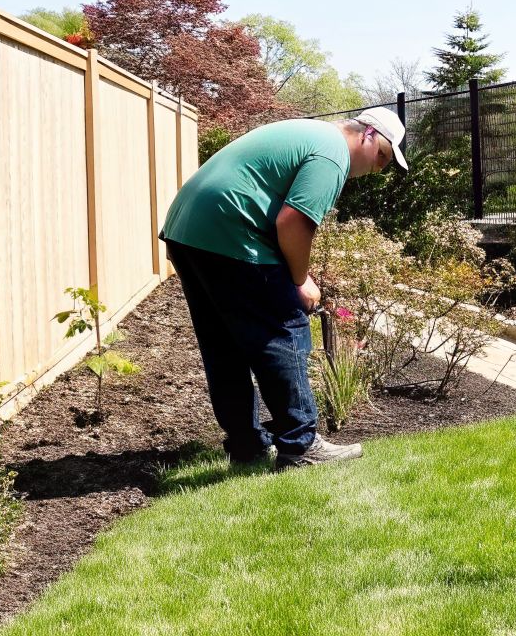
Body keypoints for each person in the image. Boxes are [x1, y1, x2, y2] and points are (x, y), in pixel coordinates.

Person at [160, 108, 407, 468]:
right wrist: (300, 280)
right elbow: (293, 222)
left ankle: (247, 447)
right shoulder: (333, 150)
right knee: (283, 332)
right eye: (381, 156)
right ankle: (300, 445)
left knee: (223, 346)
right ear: (367, 134)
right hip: (230, 233)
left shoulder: (307, 132)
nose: (376, 168)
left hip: (187, 231)